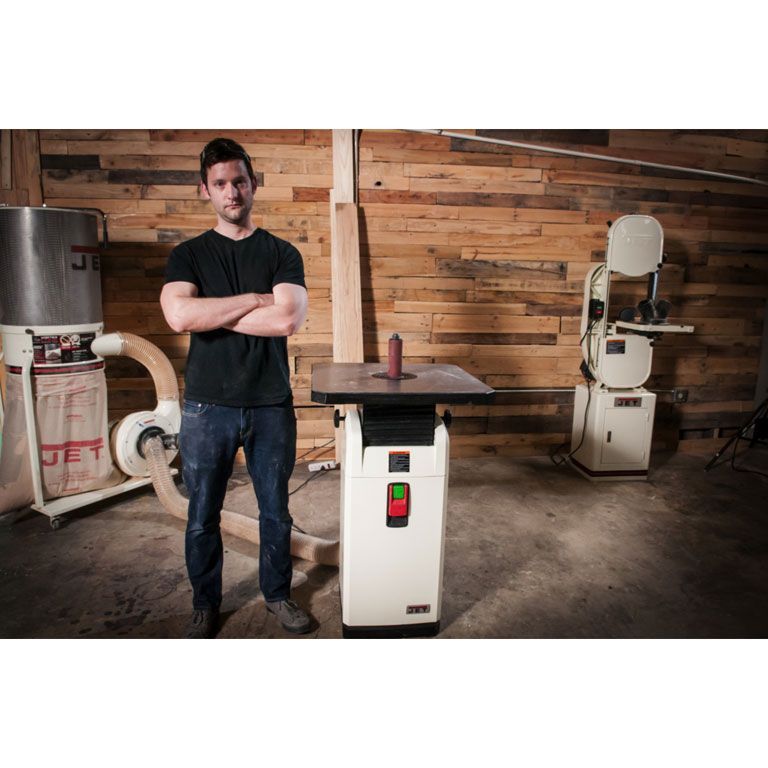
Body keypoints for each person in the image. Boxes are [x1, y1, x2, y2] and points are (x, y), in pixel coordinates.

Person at [160, 137, 311, 638]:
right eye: (220, 183)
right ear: (205, 189)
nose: (232, 192)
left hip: (270, 404)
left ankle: (278, 595)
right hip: (208, 407)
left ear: (254, 184)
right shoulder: (189, 255)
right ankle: (205, 604)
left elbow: (286, 319)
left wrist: (212, 312)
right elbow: (179, 316)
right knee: (202, 514)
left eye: (240, 181)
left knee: (276, 512)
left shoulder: (281, 252)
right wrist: (253, 299)